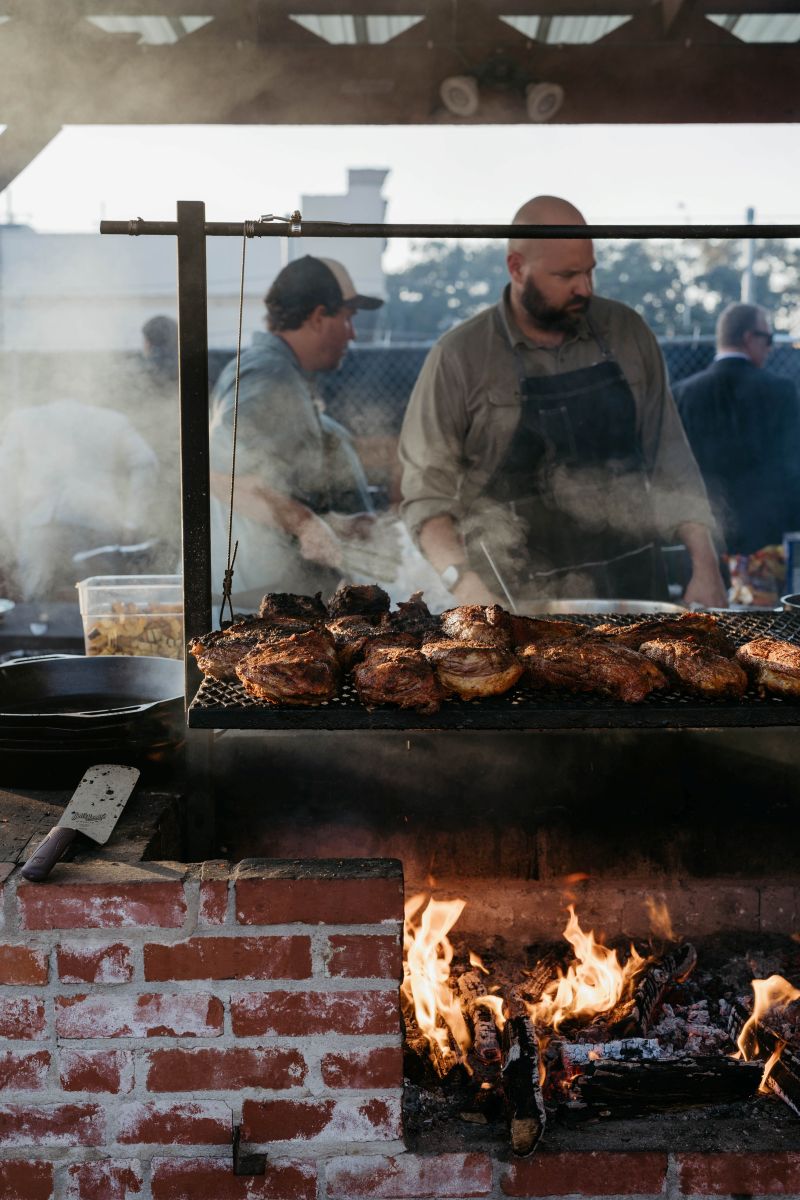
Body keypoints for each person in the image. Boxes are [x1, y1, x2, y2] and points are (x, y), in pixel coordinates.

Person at [399, 195, 727, 608]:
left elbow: (671, 456)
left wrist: (705, 565)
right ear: (517, 268)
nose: (584, 288)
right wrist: (465, 585)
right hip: (517, 602)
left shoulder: (627, 333)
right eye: (567, 275)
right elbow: (427, 500)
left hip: (634, 593)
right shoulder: (459, 357)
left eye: (590, 272)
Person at [208, 255, 383, 607]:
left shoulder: (282, 373)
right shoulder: (269, 376)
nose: (353, 334)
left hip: (267, 589)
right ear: (319, 317)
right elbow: (217, 474)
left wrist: (335, 523)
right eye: (348, 319)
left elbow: (276, 482)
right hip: (251, 595)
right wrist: (306, 524)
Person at [0, 397, 158, 601]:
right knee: (103, 604)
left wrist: (15, 531)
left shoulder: (22, 419)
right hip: (98, 522)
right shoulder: (113, 420)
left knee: (38, 609)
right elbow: (146, 462)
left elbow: (5, 475)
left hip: (40, 527)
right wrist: (132, 521)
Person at [673, 302, 800, 555]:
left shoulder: (681, 394)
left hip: (705, 538)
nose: (771, 348)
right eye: (768, 338)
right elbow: (793, 462)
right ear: (749, 337)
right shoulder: (781, 392)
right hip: (765, 536)